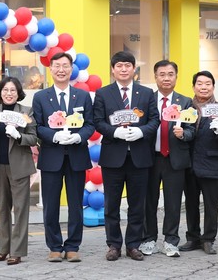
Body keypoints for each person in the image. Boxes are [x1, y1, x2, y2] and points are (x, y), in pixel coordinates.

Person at [93, 51, 159, 262]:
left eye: (127, 65)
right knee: (111, 204)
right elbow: (97, 121)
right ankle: (113, 245)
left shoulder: (146, 93)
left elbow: (154, 120)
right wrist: (114, 132)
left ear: (134, 69)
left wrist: (141, 131)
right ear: (113, 69)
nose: (123, 69)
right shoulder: (103, 93)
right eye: (119, 66)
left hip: (139, 156)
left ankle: (133, 244)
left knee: (137, 204)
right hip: (113, 157)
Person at [33, 52, 95, 263]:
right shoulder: (41, 97)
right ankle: (54, 246)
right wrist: (54, 136)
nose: (61, 70)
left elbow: (90, 124)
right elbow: (37, 126)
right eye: (57, 66)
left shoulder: (82, 96)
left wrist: (79, 137)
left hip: (76, 156)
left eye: (65, 66)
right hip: (51, 157)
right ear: (50, 69)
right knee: (51, 205)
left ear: (71, 69)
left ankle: (73, 246)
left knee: (75, 204)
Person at [140, 60, 195, 258]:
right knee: (149, 201)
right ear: (155, 77)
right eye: (162, 74)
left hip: (174, 158)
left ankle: (171, 240)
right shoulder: (146, 100)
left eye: (170, 74)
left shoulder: (185, 102)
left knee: (173, 202)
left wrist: (184, 134)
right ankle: (148, 238)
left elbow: (192, 129)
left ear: (176, 77)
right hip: (150, 158)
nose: (166, 78)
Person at [0, 76, 37, 265]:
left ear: (18, 93)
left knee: (20, 210)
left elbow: (33, 138)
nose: (9, 93)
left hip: (19, 167)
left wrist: (18, 136)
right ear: (0, 92)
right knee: (2, 209)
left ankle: (17, 251)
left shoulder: (26, 111)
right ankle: (4, 249)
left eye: (13, 90)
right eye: (5, 90)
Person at [184, 71, 218, 254]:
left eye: (207, 84)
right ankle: (193, 238)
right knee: (191, 205)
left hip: (212, 165)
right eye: (199, 83)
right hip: (189, 165)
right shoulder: (186, 107)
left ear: (213, 87)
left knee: (211, 206)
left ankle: (208, 239)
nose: (203, 87)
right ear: (193, 86)